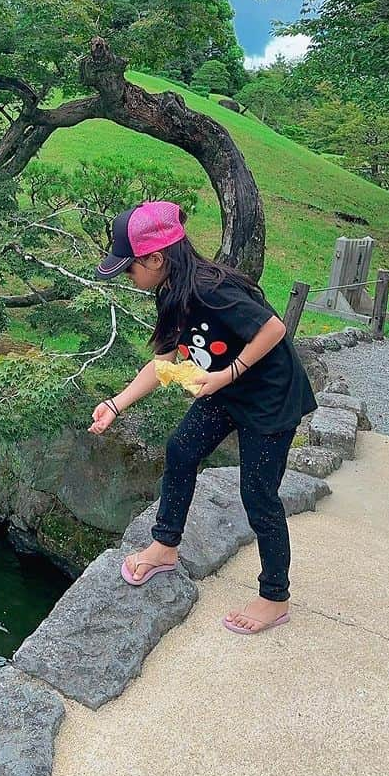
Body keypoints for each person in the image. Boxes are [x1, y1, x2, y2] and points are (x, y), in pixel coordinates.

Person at [87, 200, 317, 635]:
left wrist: (227, 373)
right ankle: (164, 546)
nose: (129, 278)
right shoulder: (171, 293)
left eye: (130, 268)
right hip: (226, 388)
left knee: (258, 494)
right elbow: (162, 363)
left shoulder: (212, 289)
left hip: (269, 397)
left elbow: (273, 329)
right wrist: (115, 405)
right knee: (181, 449)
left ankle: (274, 596)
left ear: (156, 258)